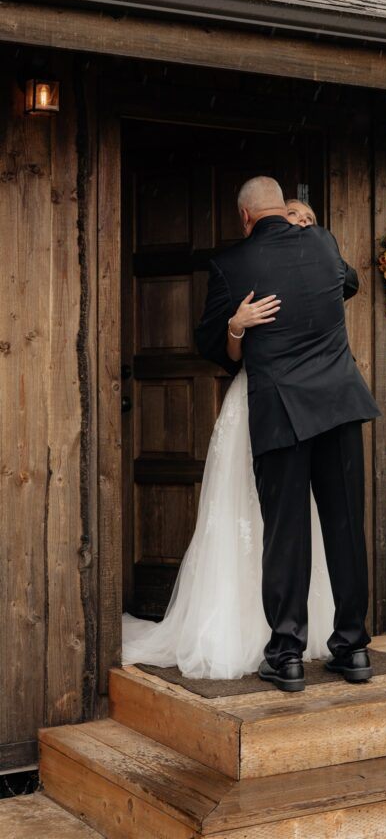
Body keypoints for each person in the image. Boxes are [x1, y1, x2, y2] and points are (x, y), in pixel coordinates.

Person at [121, 196, 334, 680]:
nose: (298, 225)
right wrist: (236, 325)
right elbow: (223, 351)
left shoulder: (320, 267)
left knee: (297, 516)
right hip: (254, 400)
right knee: (244, 507)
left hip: (308, 408)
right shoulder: (240, 268)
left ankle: (299, 629)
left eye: (307, 221)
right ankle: (240, 627)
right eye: (291, 216)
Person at [193, 176, 380, 692]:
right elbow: (347, 282)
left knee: (287, 531)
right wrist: (311, 227)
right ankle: (353, 648)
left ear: (245, 217)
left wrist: (235, 324)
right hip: (340, 405)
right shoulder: (324, 243)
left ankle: (288, 654)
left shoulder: (231, 266)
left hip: (282, 412)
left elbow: (207, 343)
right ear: (282, 209)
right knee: (345, 528)